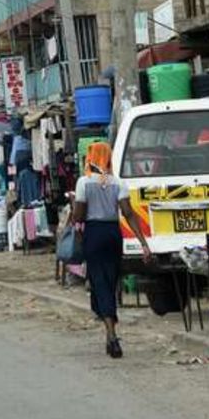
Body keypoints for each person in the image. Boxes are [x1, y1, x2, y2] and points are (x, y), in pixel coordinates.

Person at [71, 143, 153, 358]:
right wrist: (143, 243)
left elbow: (79, 216)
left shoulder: (84, 182)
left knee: (99, 282)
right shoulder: (118, 183)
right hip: (113, 234)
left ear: (91, 158)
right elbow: (128, 213)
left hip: (94, 234)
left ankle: (111, 334)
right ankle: (108, 319)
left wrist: (75, 211)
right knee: (110, 279)